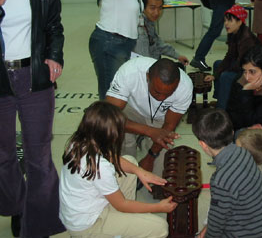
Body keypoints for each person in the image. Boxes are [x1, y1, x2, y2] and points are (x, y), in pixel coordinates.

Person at [0, 0, 65, 237]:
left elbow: (54, 24)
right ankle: (16, 205)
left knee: (38, 155)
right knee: (3, 153)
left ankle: (39, 221)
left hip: (33, 75)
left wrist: (54, 54)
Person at [59, 101, 176, 238]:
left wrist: (140, 172)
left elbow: (110, 156)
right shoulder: (99, 167)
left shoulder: (78, 141)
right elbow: (122, 204)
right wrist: (158, 208)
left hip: (80, 212)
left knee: (130, 163)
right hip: (89, 225)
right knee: (160, 227)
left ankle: (121, 225)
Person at [192, 109, 262, 238]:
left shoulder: (221, 179)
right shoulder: (245, 153)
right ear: (232, 132)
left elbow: (217, 223)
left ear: (203, 145)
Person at [106, 57, 193, 172]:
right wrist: (149, 131)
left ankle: (142, 140)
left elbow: (168, 126)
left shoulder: (185, 87)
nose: (161, 98)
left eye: (168, 94)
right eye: (157, 91)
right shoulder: (130, 72)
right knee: (123, 149)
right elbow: (109, 118)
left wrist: (150, 157)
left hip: (161, 118)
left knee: (161, 165)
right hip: (132, 110)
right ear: (147, 77)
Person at [89, 0, 151, 99]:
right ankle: (106, 125)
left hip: (122, 45)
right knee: (111, 97)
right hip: (110, 44)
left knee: (118, 95)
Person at [226, 45, 262, 174]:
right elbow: (230, 112)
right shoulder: (241, 80)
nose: (247, 77)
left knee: (245, 139)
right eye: (244, 71)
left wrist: (246, 92)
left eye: (252, 72)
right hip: (242, 126)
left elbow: (252, 119)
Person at [204, 5, 259, 110]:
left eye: (230, 21)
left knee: (226, 76)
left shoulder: (246, 39)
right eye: (225, 20)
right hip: (242, 65)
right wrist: (215, 75)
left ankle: (222, 109)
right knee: (217, 64)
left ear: (239, 22)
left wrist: (222, 72)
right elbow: (229, 56)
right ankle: (220, 99)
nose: (226, 24)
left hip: (251, 72)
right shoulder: (234, 33)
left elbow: (242, 65)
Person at [132, 0, 189, 69]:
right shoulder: (140, 30)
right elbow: (143, 62)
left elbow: (158, 43)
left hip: (153, 62)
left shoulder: (148, 22)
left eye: (160, 8)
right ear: (142, 7)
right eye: (152, 8)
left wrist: (178, 56)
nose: (157, 12)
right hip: (146, 69)